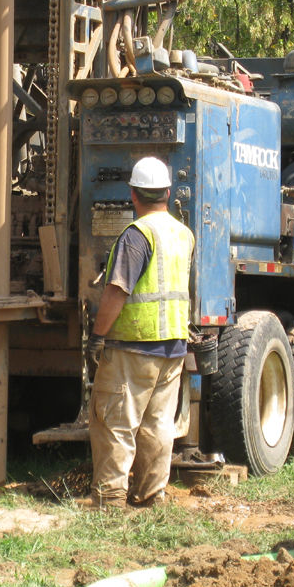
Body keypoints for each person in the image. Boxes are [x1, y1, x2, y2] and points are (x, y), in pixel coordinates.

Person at [84, 157, 195, 509]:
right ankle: (151, 495)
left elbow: (117, 290)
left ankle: (111, 498)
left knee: (115, 421)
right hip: (173, 346)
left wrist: (97, 337)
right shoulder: (183, 234)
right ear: (167, 192)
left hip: (133, 346)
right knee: (158, 425)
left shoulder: (137, 236)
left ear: (133, 195)